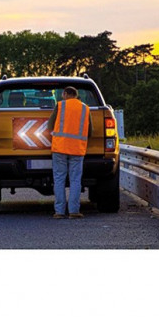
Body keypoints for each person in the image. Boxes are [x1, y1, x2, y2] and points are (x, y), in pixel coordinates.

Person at [47, 86, 92, 219]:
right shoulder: (85, 108)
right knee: (75, 180)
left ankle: (59, 212)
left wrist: (55, 136)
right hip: (77, 149)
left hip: (60, 148)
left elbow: (50, 125)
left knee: (59, 179)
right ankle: (74, 211)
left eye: (63, 94)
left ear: (66, 94)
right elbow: (90, 131)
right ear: (76, 95)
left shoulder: (60, 106)